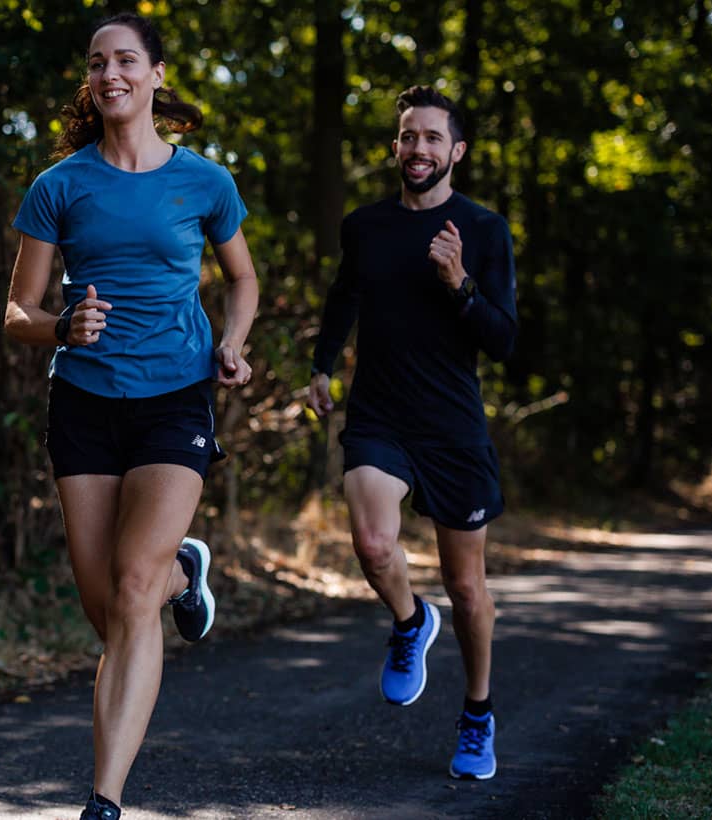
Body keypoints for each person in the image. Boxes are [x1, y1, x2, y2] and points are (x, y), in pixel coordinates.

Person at [4, 13, 259, 820]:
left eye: (125, 60)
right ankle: (187, 568)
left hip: (174, 397)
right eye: (96, 63)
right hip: (82, 401)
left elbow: (243, 280)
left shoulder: (206, 182)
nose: (109, 73)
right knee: (111, 613)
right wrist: (61, 324)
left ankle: (103, 801)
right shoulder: (59, 186)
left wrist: (234, 343)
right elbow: (15, 311)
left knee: (133, 585)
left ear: (155, 74)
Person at [308, 85, 517, 781]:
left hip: (453, 427)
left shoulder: (483, 231)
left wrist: (459, 282)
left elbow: (505, 339)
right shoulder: (366, 226)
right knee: (372, 544)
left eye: (432, 137)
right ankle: (406, 621)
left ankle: (478, 714)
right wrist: (321, 365)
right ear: (395, 147)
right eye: (408, 136)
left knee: (467, 590)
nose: (418, 148)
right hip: (380, 415)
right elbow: (346, 294)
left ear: (456, 150)